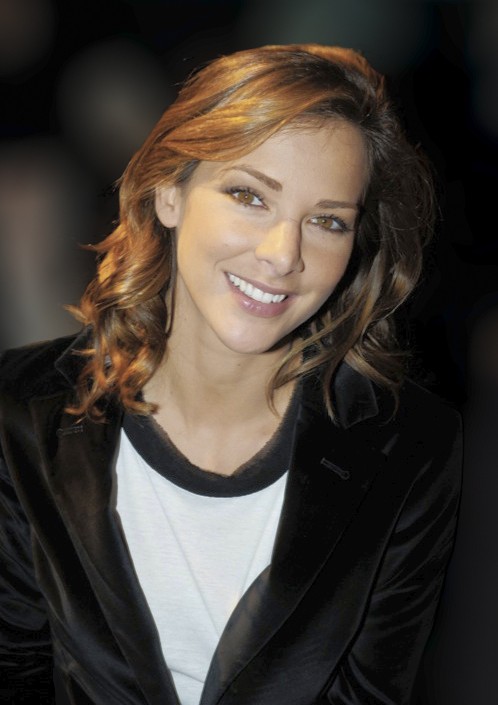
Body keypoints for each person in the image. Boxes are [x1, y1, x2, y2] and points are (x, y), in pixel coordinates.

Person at [0, 43, 462, 705]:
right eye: (249, 195)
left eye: (327, 221)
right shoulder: (21, 410)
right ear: (169, 192)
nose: (283, 254)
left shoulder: (409, 445)